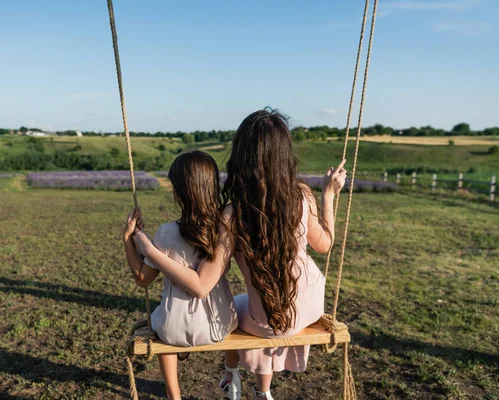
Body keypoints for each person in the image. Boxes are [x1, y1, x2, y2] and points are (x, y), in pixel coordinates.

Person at [134, 109, 347, 400]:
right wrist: (329, 196)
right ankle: (263, 390)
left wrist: (149, 249)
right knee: (267, 303)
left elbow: (203, 284)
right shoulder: (302, 195)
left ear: (241, 156)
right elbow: (325, 244)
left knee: (238, 308)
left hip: (265, 324)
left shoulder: (232, 214)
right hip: (308, 309)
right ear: (285, 154)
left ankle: (232, 374)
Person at [123, 150, 238, 400]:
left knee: (164, 315)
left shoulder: (166, 233)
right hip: (221, 324)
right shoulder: (223, 227)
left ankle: (173, 392)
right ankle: (233, 372)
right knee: (238, 304)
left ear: (179, 192)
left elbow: (142, 279)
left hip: (176, 328)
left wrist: (128, 241)